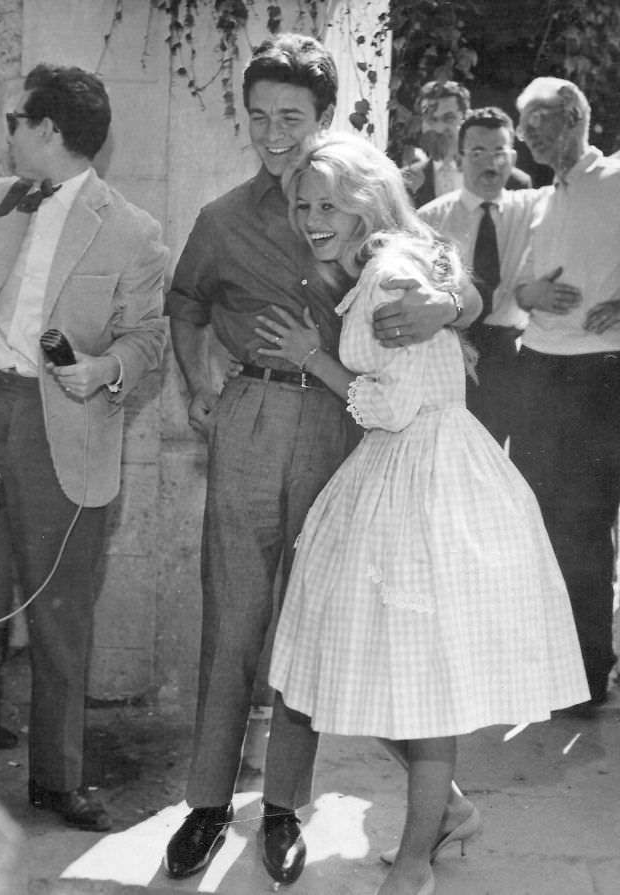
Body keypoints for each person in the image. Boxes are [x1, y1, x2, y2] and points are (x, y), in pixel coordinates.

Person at [163, 33, 482, 884]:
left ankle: (282, 809)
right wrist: (199, 378)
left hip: (348, 425)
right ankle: (203, 803)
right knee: (232, 614)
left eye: (291, 118)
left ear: (326, 118)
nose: (273, 133)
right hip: (252, 416)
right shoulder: (221, 218)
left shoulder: (356, 194)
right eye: (258, 115)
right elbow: (185, 303)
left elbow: (445, 264)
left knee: (309, 626)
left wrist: (450, 303)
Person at [256, 131, 589, 895]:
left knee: (413, 679)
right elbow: (457, 306)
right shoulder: (402, 257)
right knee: (366, 663)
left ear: (368, 201)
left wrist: (314, 357)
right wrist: (452, 302)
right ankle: (448, 811)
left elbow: (392, 403)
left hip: (419, 476)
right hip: (421, 467)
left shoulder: (387, 274)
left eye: (329, 204)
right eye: (303, 204)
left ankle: (414, 859)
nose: (312, 217)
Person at [0, 64, 168, 830]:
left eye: (16, 118)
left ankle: (58, 781)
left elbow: (149, 339)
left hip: (60, 424)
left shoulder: (132, 229)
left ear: (48, 129)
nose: (7, 129)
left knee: (60, 614)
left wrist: (104, 369)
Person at [510, 77, 620, 708]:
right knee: (538, 523)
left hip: (597, 375)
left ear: (576, 115)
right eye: (524, 127)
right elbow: (521, 289)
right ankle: (551, 666)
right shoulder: (544, 198)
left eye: (540, 122)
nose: (528, 137)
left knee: (583, 523)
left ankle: (585, 672)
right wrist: (533, 296)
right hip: (540, 369)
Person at [419, 107, 545, 445]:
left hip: (510, 355)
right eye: (477, 152)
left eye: (499, 152)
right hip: (453, 351)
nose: (490, 162)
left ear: (513, 157)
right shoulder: (430, 219)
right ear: (460, 158)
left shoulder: (533, 209)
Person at [403, 81, 531, 208]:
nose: (439, 128)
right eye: (432, 119)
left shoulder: (514, 182)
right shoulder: (405, 182)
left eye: (448, 118)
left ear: (466, 118)